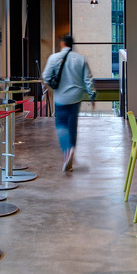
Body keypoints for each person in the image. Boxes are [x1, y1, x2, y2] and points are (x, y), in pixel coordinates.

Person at [43, 34, 94, 171]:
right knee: (72, 125)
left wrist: (53, 85)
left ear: (62, 44)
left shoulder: (53, 58)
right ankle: (72, 149)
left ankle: (67, 150)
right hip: (76, 97)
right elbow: (88, 79)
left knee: (61, 124)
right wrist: (92, 94)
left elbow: (46, 76)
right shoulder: (81, 59)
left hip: (61, 97)